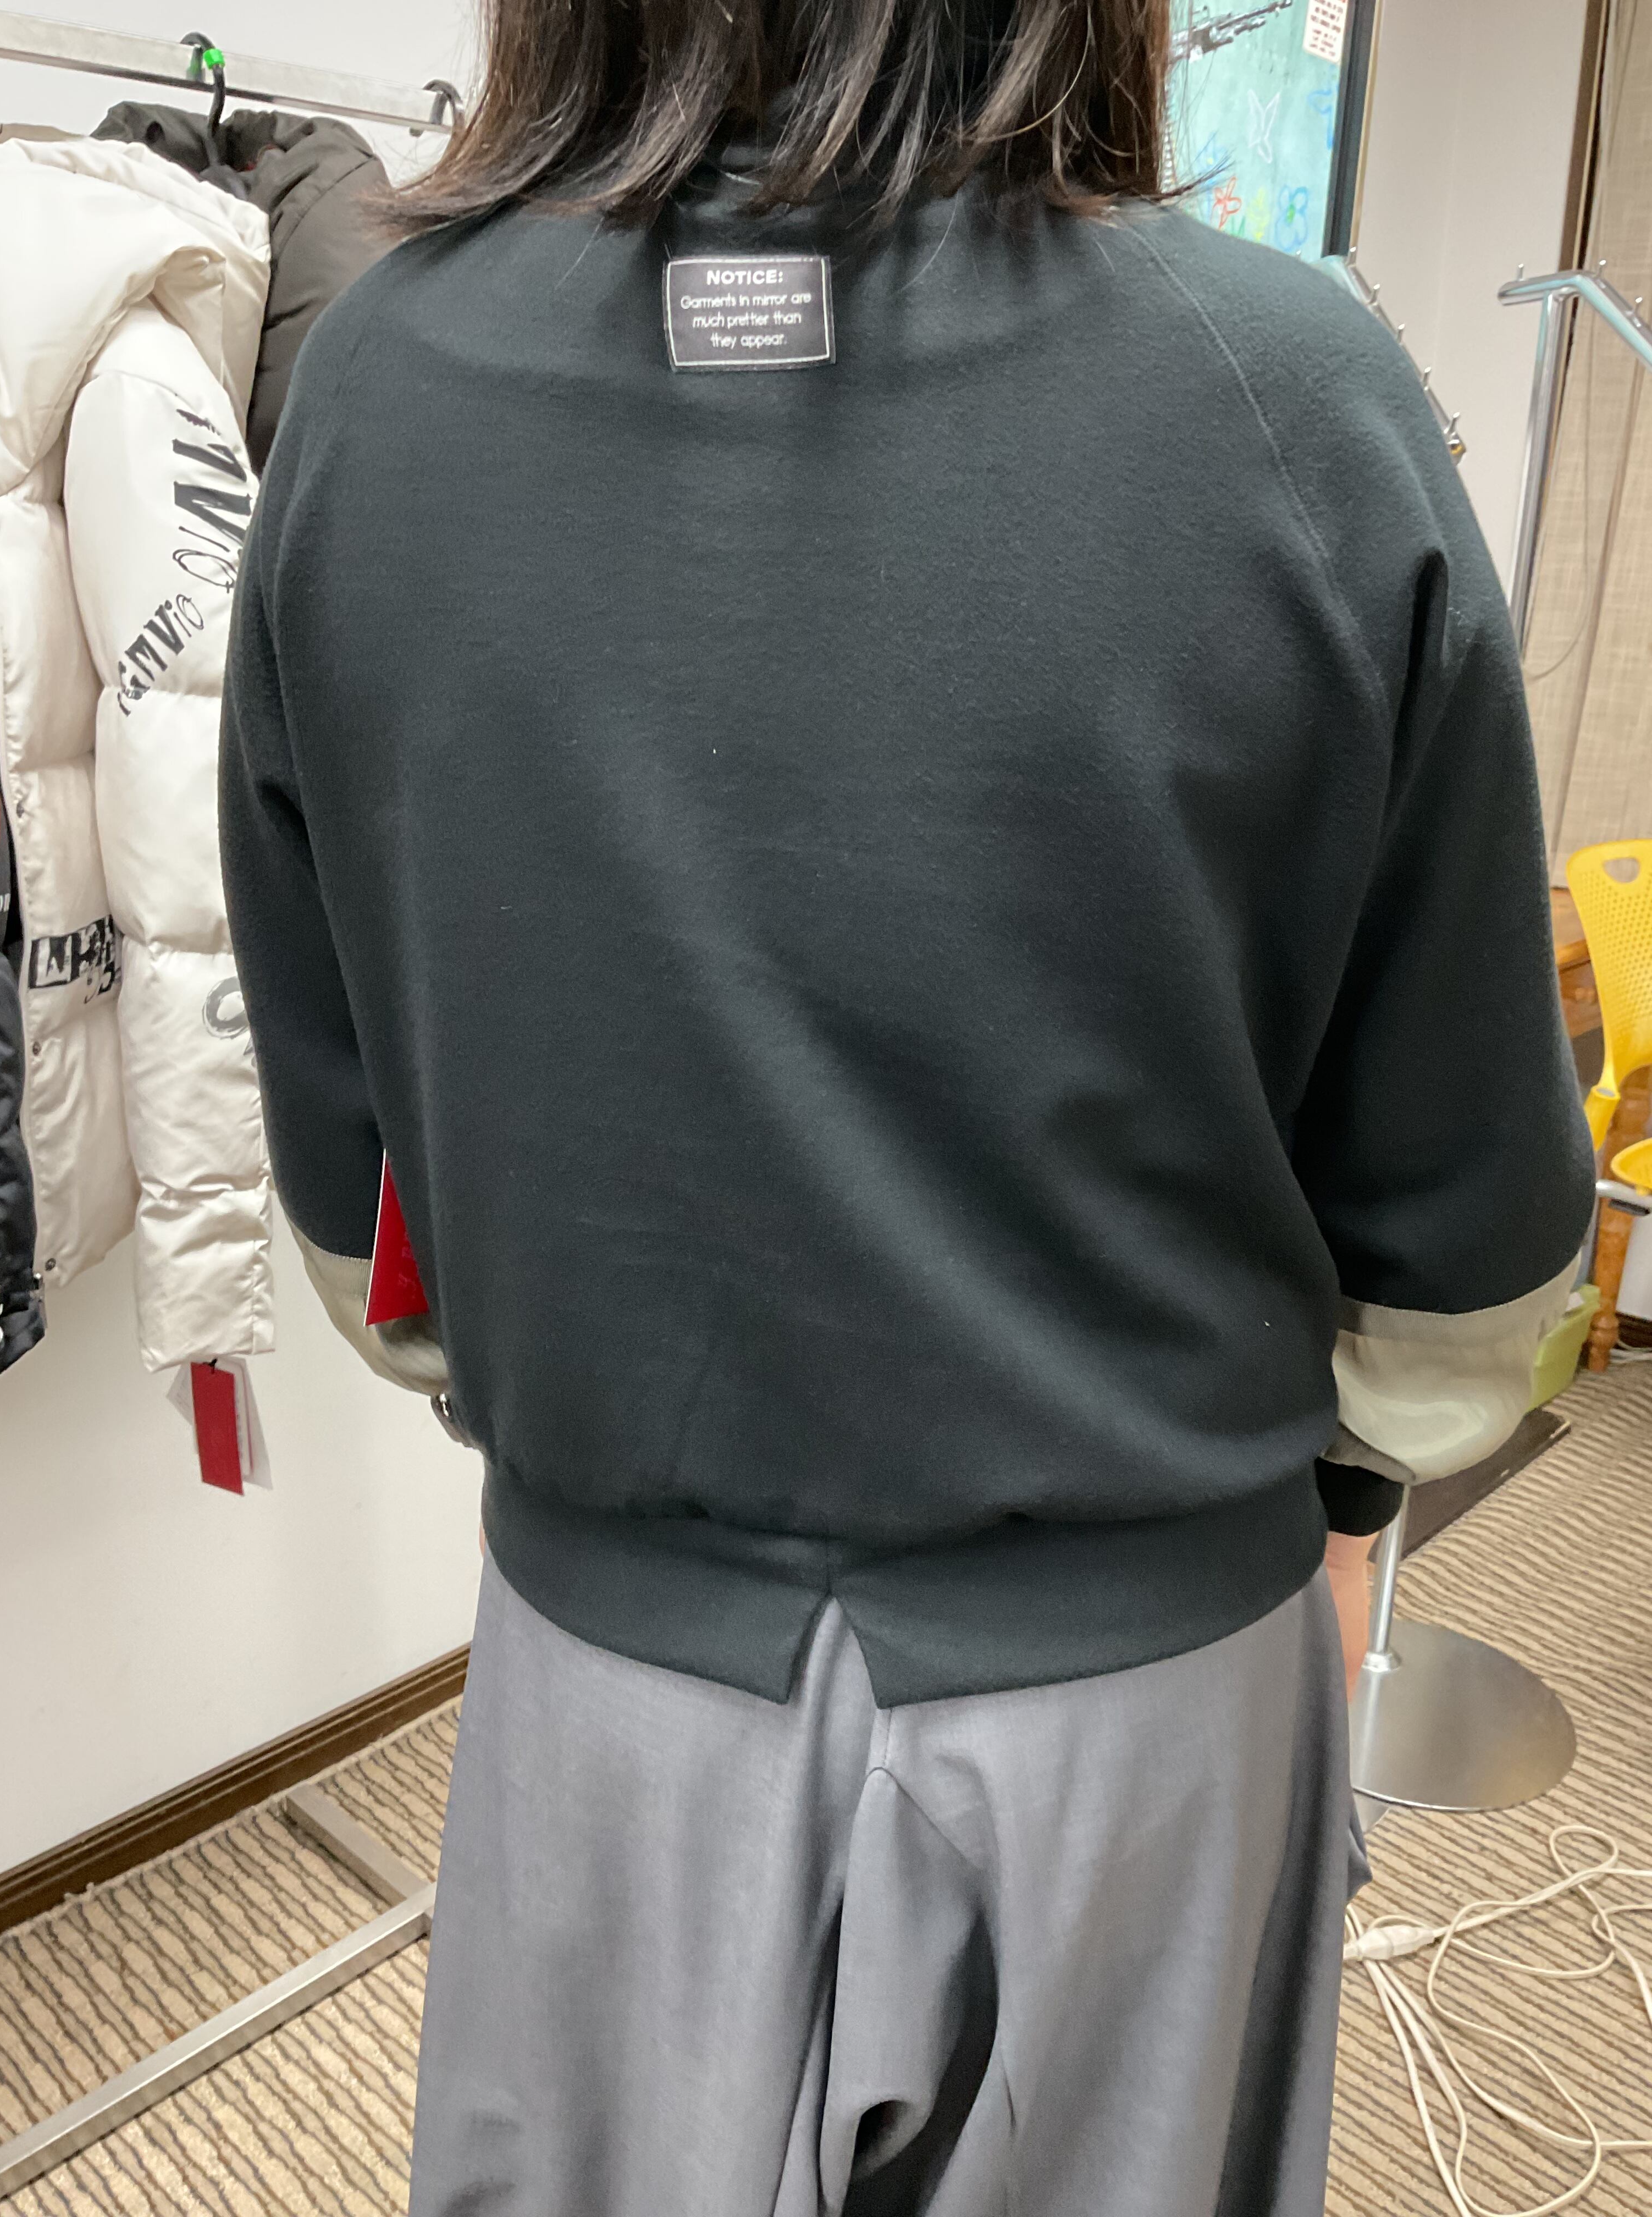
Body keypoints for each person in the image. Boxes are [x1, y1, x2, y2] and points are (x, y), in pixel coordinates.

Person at [218, 1, 1595, 2209]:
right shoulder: (1297, 398)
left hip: (619, 1679)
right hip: (1143, 1696)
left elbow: (359, 1196)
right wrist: (1336, 1493)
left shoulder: (374, 386)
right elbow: (1471, 1273)